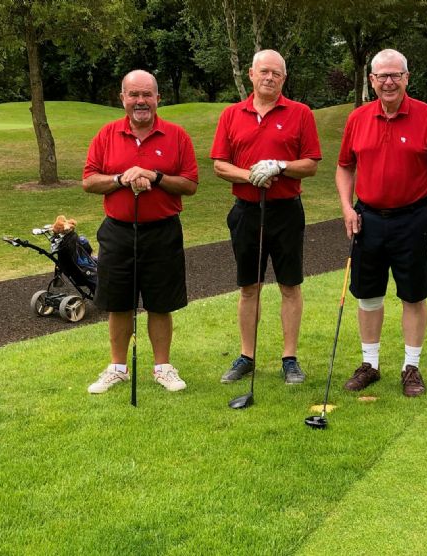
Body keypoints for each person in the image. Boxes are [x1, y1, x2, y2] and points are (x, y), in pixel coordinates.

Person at [336, 49, 427, 397]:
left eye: (395, 75)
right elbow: (345, 166)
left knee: (413, 295)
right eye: (381, 76)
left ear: (406, 78)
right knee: (368, 294)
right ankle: (369, 364)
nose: (388, 82)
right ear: (371, 81)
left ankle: (411, 366)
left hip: (413, 219)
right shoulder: (358, 118)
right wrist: (346, 207)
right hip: (367, 218)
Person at [83, 69, 198, 394]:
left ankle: (163, 367)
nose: (140, 101)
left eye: (147, 94)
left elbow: (189, 184)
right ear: (122, 98)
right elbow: (89, 181)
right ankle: (117, 367)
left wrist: (155, 176)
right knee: (119, 302)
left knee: (161, 303)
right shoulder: (106, 135)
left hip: (163, 232)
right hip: (118, 231)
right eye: (133, 95)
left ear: (158, 98)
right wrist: (122, 178)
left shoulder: (177, 136)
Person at [210, 49, 321, 385]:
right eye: (264, 72)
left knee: (290, 285)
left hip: (286, 211)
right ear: (251, 74)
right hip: (246, 211)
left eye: (276, 73)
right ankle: (247, 356)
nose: (269, 77)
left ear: (284, 78)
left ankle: (290, 358)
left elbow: (312, 163)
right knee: (249, 287)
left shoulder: (300, 113)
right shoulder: (232, 114)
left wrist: (280, 166)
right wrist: (248, 175)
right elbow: (219, 164)